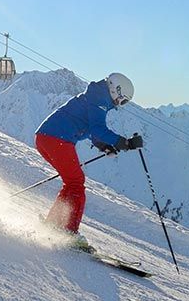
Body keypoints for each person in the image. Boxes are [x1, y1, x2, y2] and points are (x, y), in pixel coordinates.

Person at [34, 72, 144, 252]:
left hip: (47, 138)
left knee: (71, 183)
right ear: (116, 91)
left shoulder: (97, 97)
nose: (120, 105)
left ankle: (55, 223)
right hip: (56, 139)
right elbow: (98, 128)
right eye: (123, 100)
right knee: (76, 183)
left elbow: (91, 130)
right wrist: (125, 143)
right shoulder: (99, 99)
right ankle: (69, 232)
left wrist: (103, 146)